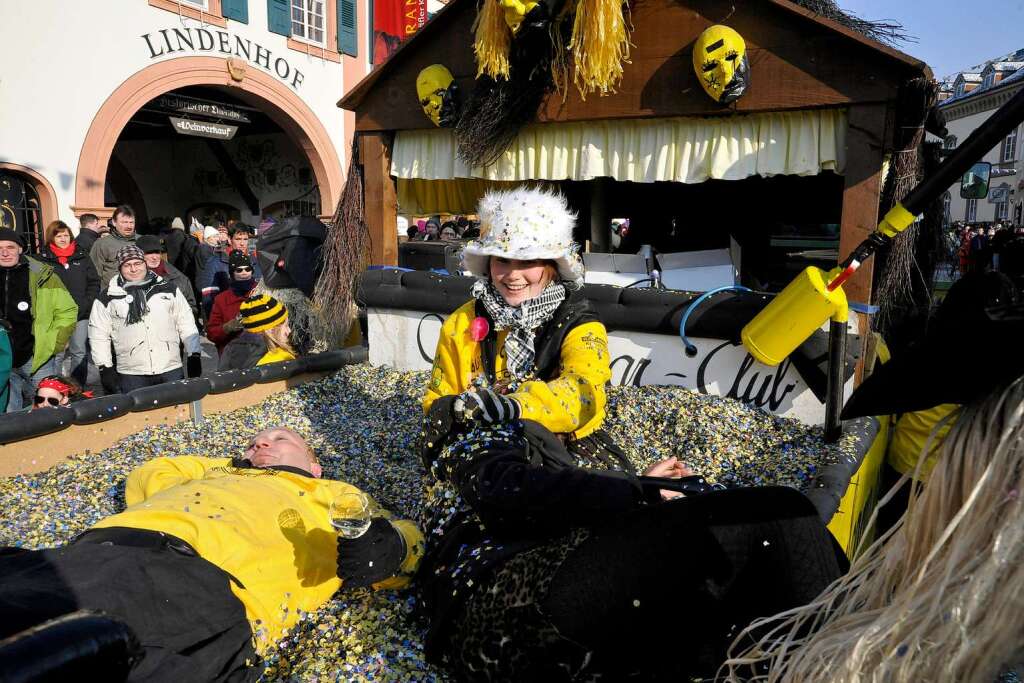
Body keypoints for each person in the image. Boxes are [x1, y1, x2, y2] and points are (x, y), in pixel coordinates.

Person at [416, 187, 845, 681]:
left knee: (770, 532)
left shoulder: (578, 324)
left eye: (528, 259)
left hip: (566, 469)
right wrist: (634, 491)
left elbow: (582, 396)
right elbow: (488, 462)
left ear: (553, 264)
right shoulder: (464, 345)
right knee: (773, 524)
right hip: (533, 539)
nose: (512, 273)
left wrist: (522, 412)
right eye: (500, 260)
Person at [0, 426, 425, 682]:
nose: (262, 443)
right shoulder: (222, 472)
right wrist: (232, 466)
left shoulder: (331, 493)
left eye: (280, 439)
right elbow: (153, 470)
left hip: (198, 581)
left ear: (315, 466)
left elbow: (404, 539)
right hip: (96, 550)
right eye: (255, 441)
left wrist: (392, 546)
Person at [88, 245, 202, 394]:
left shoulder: (168, 289)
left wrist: (194, 354)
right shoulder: (107, 297)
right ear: (120, 268)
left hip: (169, 367)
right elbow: (98, 335)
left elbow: (186, 322)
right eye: (127, 265)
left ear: (145, 264)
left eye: (137, 264)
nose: (134, 269)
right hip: (132, 373)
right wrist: (104, 367)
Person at [0, 228, 78, 412]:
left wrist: (53, 342)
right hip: (3, 358)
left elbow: (67, 309)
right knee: (9, 415)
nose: (5, 252)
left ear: (20, 249)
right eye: (0, 248)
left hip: (37, 355)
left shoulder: (42, 273)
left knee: (49, 410)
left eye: (10, 247)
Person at [37, 220, 100, 387]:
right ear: (52, 237)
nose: (64, 238)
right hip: (55, 316)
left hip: (81, 313)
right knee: (57, 354)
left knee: (79, 351)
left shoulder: (82, 255)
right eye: (59, 236)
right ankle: (57, 389)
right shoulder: (42, 259)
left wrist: (86, 303)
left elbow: (94, 282)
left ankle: (77, 388)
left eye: (66, 235)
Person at [219, 293, 296, 370]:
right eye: (285, 326)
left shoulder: (229, 349)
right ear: (271, 329)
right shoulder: (281, 358)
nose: (288, 331)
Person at [136, 235, 200, 325]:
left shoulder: (179, 278)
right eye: (149, 253)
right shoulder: (129, 279)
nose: (154, 257)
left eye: (157, 252)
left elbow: (191, 308)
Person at [206, 251, 258, 355]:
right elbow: (212, 333)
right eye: (239, 270)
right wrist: (227, 328)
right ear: (232, 273)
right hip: (232, 355)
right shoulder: (221, 299)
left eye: (247, 269)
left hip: (258, 352)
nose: (244, 272)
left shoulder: (261, 292)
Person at [91, 205, 139, 286]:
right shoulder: (102, 244)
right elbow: (94, 273)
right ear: (114, 222)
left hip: (139, 291)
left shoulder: (142, 241)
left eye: (131, 222)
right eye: (124, 222)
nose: (128, 226)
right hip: (111, 293)